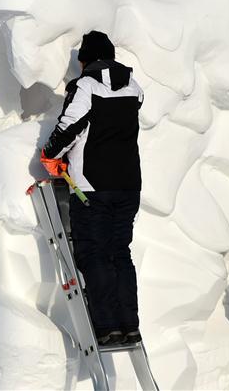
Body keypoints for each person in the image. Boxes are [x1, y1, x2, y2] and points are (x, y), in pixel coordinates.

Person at [39, 30, 145, 346]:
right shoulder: (134, 88)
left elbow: (69, 127)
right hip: (128, 186)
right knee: (119, 253)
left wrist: (49, 154)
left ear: (85, 60)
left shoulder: (85, 86)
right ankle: (130, 325)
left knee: (94, 252)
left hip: (92, 187)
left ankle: (108, 326)